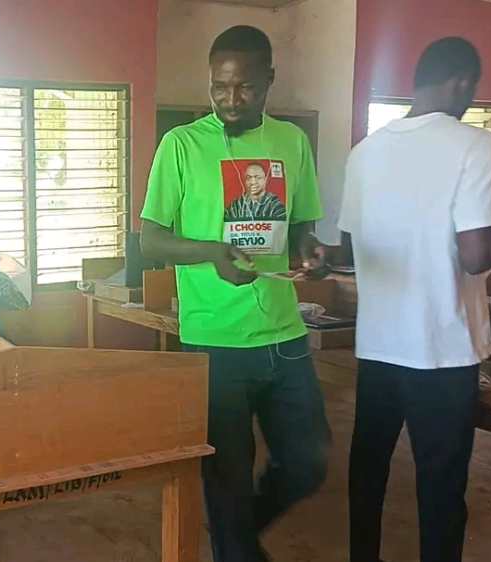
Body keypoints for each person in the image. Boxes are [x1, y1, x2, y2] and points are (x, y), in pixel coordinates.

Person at [140, 25, 330, 562]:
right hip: (214, 339)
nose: (230, 99)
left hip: (284, 334)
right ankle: (236, 545)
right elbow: (150, 239)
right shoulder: (182, 145)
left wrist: (309, 249)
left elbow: (301, 226)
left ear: (269, 79)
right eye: (219, 87)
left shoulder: (292, 142)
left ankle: (237, 538)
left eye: (244, 87)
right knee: (226, 475)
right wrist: (212, 253)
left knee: (309, 461)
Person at [333, 38, 491, 562]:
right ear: (462, 83)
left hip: (377, 348)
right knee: (440, 490)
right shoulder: (478, 148)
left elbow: (350, 245)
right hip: (442, 353)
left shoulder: (365, 152)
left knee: (368, 474)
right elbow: (476, 255)